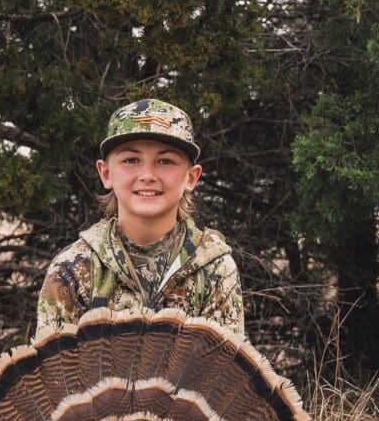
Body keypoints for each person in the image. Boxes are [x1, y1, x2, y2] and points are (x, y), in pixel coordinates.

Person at [35, 98, 244, 338]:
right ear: (106, 173)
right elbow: (56, 372)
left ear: (191, 177)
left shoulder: (214, 267)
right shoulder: (72, 269)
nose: (147, 175)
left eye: (166, 161)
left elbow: (223, 372)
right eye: (131, 160)